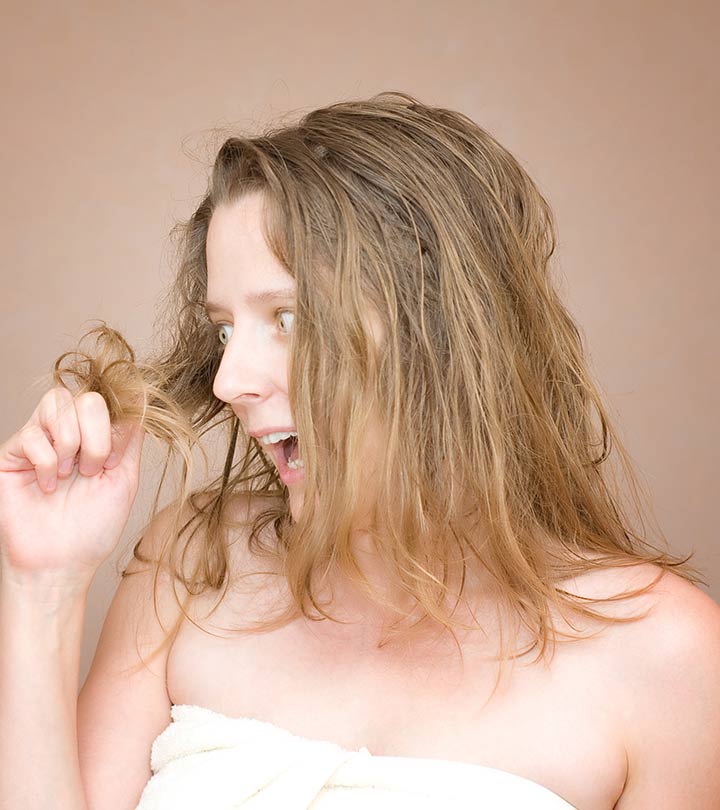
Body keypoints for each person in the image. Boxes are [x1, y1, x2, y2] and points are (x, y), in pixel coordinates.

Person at [1, 91, 719, 810]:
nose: (228, 381)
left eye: (287, 318)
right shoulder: (192, 562)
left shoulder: (666, 657)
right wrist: (43, 586)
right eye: (225, 329)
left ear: (440, 331)